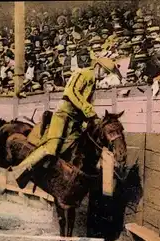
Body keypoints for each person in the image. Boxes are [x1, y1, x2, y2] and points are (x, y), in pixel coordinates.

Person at [8, 57, 120, 188]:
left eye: (107, 73)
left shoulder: (93, 82)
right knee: (52, 147)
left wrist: (88, 118)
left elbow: (88, 102)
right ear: (98, 67)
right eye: (105, 72)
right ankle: (18, 171)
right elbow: (71, 92)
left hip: (76, 119)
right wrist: (87, 110)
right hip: (63, 114)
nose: (105, 75)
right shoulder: (83, 73)